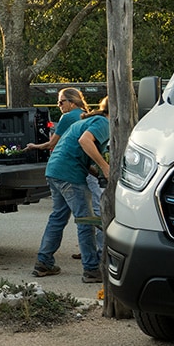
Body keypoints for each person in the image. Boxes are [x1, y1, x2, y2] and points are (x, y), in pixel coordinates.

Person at [31, 97, 110, 283]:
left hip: (55, 170)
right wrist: (105, 167)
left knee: (58, 217)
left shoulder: (89, 120)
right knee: (86, 220)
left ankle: (44, 262)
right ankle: (91, 269)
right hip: (69, 174)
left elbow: (80, 153)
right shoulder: (103, 122)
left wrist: (97, 169)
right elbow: (85, 141)